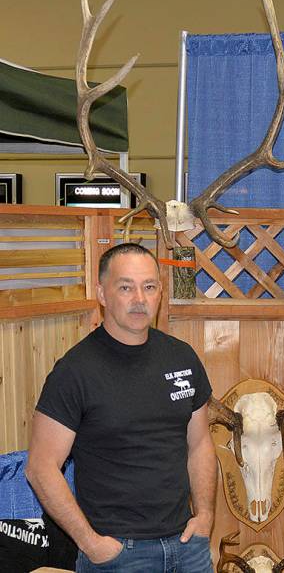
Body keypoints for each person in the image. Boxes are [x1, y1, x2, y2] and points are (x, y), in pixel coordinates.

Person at [25, 242, 216, 572]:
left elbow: (199, 444)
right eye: (126, 287)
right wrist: (91, 544)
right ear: (101, 293)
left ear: (160, 292)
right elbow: (40, 468)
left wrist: (205, 517)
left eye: (149, 287)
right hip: (118, 556)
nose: (140, 299)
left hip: (187, 547)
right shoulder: (75, 371)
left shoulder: (182, 357)